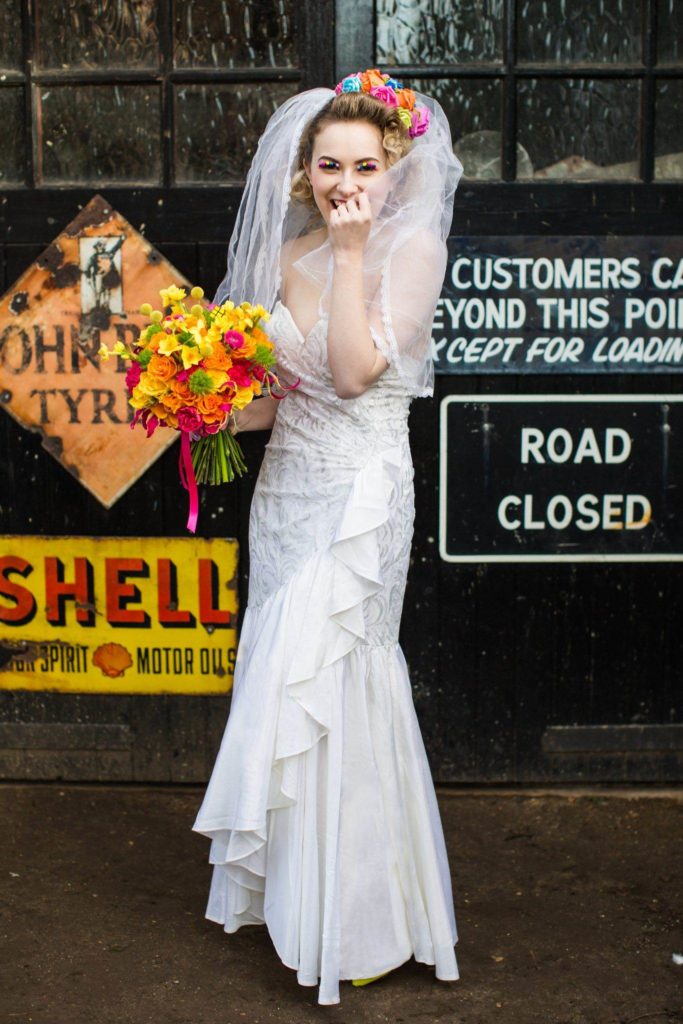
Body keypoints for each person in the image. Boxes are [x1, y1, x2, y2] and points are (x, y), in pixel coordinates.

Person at [191, 69, 463, 1007]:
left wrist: (352, 256)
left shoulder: (412, 251)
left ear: (396, 171)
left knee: (343, 677)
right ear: (304, 172)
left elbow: (349, 375)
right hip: (287, 494)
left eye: (367, 166)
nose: (347, 182)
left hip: (361, 497)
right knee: (283, 673)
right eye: (329, 165)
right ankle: (295, 903)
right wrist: (207, 405)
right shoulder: (283, 255)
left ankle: (362, 923)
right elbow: (282, 398)